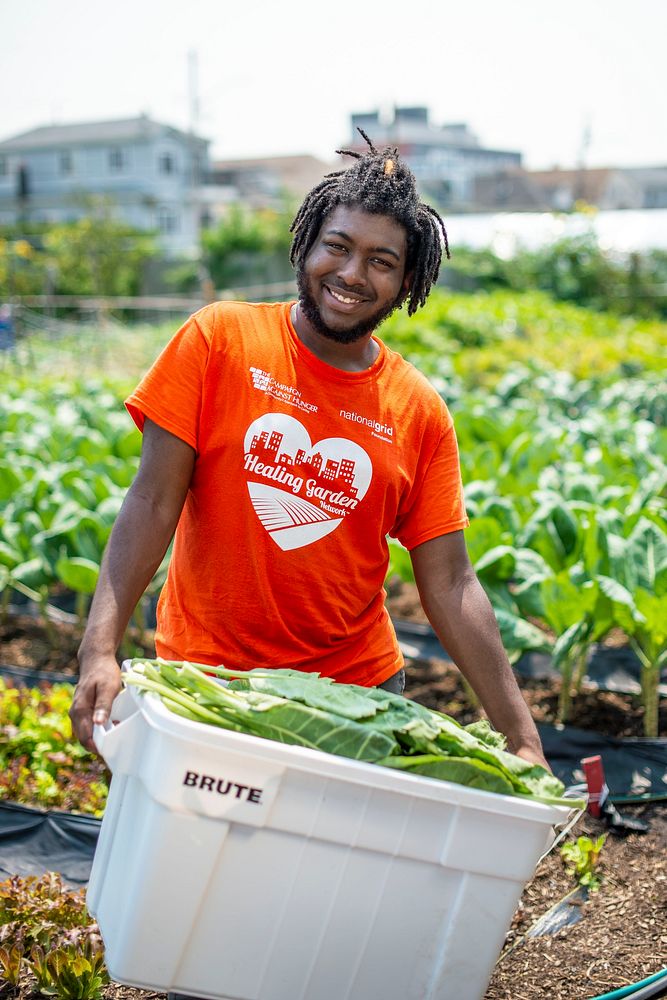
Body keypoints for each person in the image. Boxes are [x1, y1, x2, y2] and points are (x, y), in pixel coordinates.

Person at [70, 132, 549, 771]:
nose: (351, 274)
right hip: (207, 688)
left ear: (408, 279)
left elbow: (452, 581)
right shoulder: (219, 340)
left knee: (331, 874)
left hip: (353, 700)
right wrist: (98, 647)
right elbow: (153, 501)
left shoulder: (418, 409)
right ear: (308, 244)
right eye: (338, 247)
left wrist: (522, 738)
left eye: (382, 261)